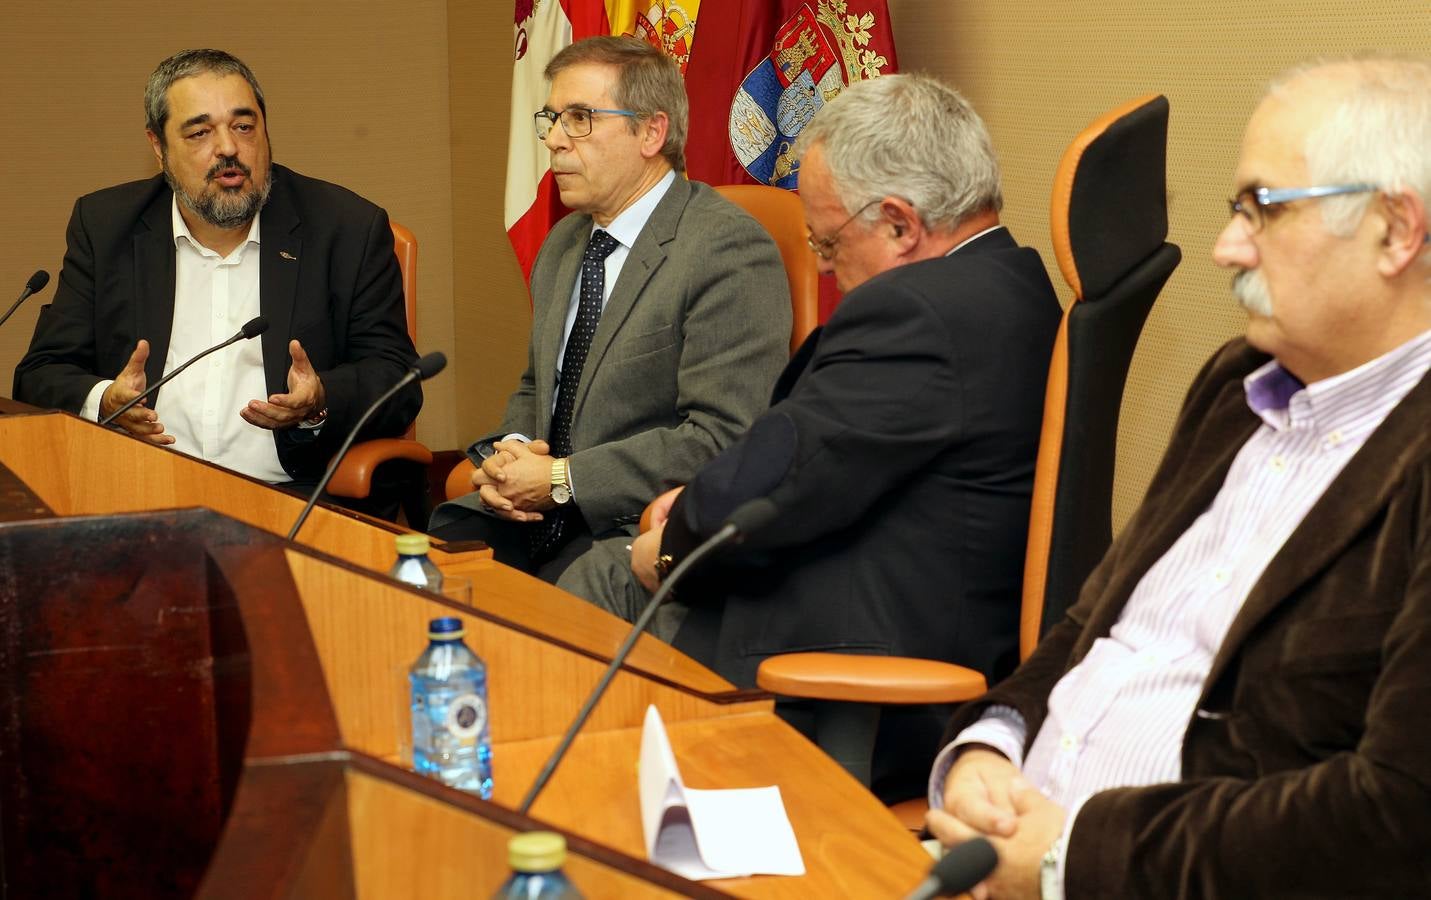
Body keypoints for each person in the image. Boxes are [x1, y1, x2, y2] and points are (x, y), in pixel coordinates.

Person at [927, 56, 1431, 899]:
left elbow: (1398, 817)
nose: (1224, 247)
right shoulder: (1236, 384)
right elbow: (1099, 619)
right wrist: (996, 736)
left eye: (1260, 208)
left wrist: (1068, 860)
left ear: (1395, 231)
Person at [563, 73, 1062, 797]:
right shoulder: (1012, 281)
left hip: (873, 668)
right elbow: (812, 461)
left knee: (600, 580)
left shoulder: (916, 316)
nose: (824, 271)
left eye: (827, 245)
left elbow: (778, 479)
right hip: (926, 608)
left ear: (898, 223)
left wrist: (670, 546)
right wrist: (702, 501)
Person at [428, 36, 790, 583]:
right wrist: (512, 454)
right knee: (423, 570)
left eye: (578, 118)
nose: (553, 140)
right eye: (551, 118)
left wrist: (562, 479)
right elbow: (537, 386)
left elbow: (723, 437)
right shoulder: (563, 243)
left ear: (651, 131)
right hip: (532, 517)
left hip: (630, 526)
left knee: (540, 616)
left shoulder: (726, 249)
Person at [13, 49, 420, 495]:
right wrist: (106, 400)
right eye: (200, 132)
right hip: (138, 491)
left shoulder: (346, 228)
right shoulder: (106, 226)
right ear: (158, 147)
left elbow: (397, 380)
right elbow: (41, 374)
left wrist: (320, 400)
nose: (228, 148)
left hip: (291, 496)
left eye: (244, 127)